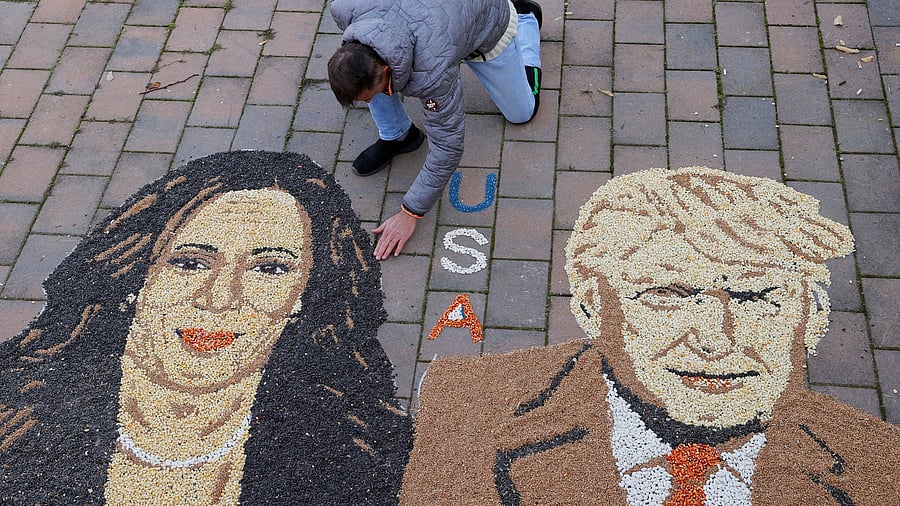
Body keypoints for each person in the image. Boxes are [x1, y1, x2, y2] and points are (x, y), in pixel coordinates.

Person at [400, 167, 900, 505]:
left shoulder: (880, 465)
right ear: (594, 305)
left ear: (810, 318)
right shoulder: (464, 406)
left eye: (755, 299)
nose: (716, 340)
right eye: (667, 295)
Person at [0, 151, 412, 505]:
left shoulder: (353, 453)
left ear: (303, 297)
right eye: (191, 262)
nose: (217, 299)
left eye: (268, 269)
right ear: (135, 278)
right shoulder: (16, 416)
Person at [327, 0, 543, 260]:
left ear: (387, 68)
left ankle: (526, 19)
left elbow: (448, 146)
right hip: (438, 26)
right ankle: (399, 135)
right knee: (376, 87)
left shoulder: (432, 72)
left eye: (372, 95)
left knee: (521, 112)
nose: (372, 102)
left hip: (485, 20)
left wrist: (410, 213)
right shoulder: (343, 8)